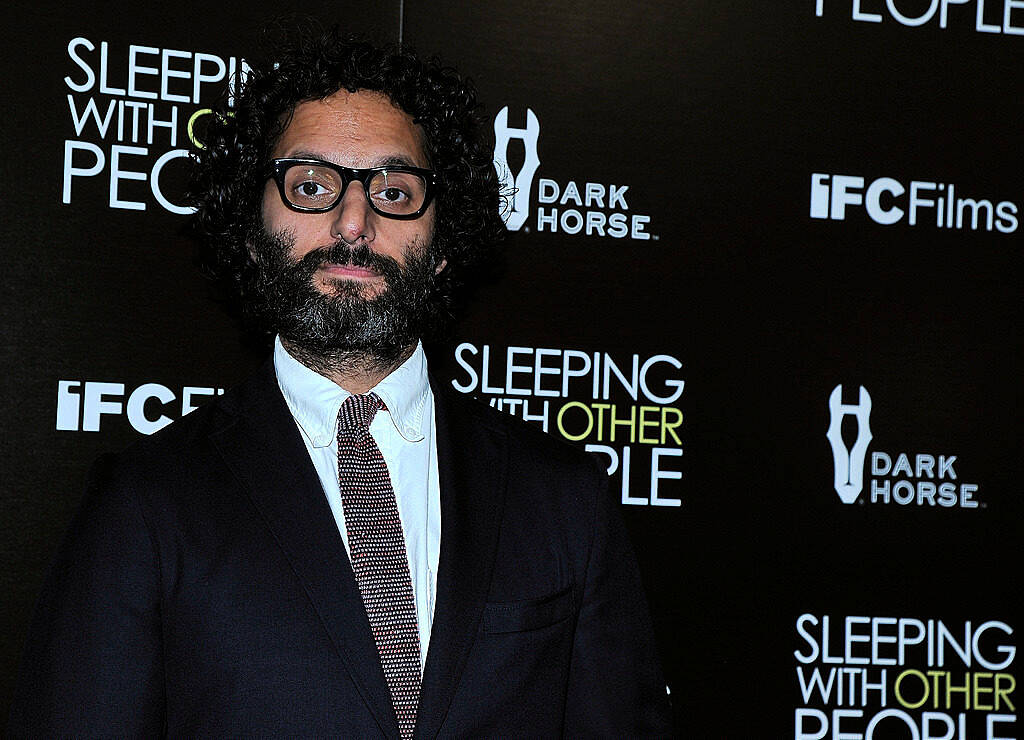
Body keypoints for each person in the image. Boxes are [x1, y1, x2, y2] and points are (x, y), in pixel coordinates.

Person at [9, 27, 672, 737]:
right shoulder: (147, 504)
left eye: (394, 190)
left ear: (443, 244)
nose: (353, 222)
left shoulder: (565, 499)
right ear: (251, 229)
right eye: (311, 186)